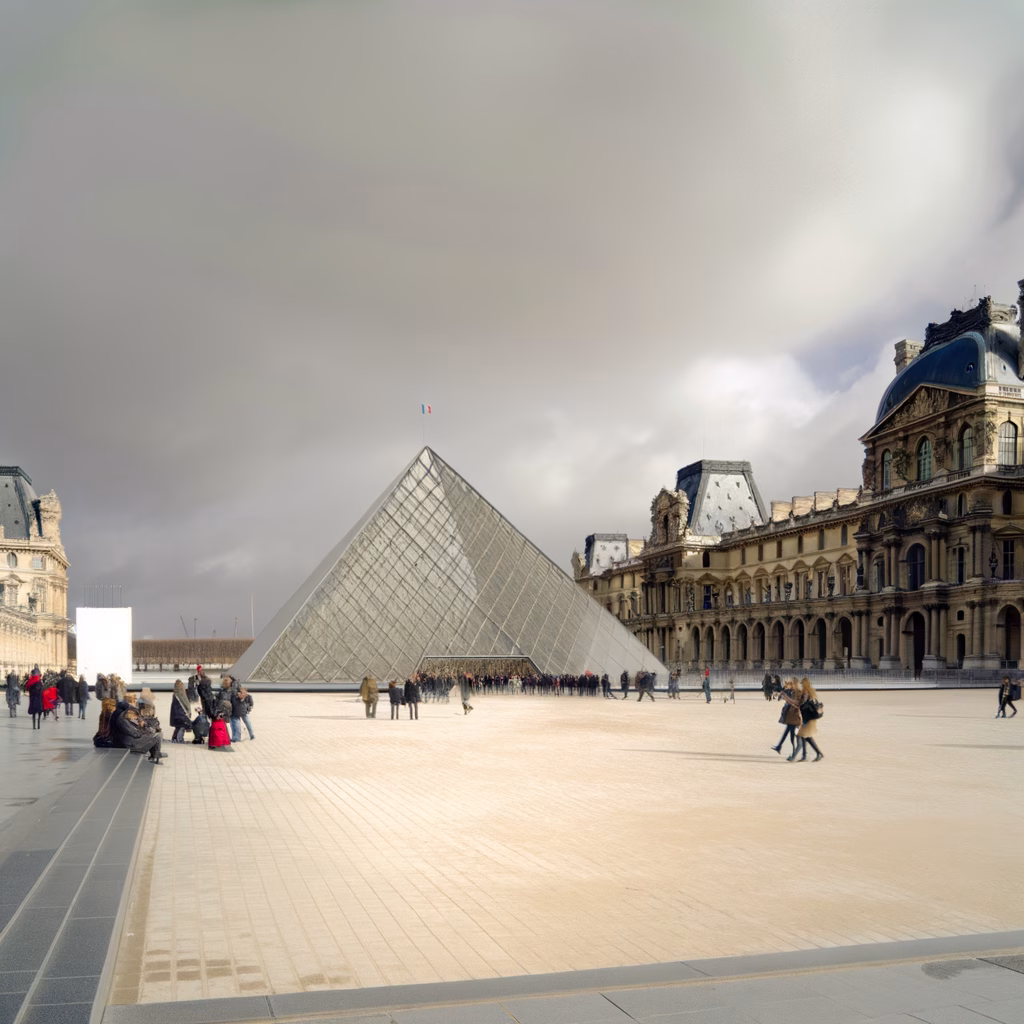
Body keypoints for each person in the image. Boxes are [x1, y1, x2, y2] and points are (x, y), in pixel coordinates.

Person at [114, 699, 165, 764]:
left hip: (131, 741)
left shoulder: (125, 717)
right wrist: (141, 729)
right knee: (157, 736)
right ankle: (155, 756)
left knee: (156, 735)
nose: (136, 717)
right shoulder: (123, 720)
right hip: (130, 744)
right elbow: (135, 733)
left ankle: (155, 755)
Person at [792, 677, 824, 762]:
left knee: (805, 737)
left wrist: (792, 701)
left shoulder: (806, 693)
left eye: (802, 684)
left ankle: (818, 753)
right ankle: (805, 756)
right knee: (804, 736)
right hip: (810, 717)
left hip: (808, 718)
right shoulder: (811, 692)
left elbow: (801, 704)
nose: (801, 686)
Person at [772, 680, 802, 756]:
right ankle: (784, 748)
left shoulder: (795, 693)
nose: (786, 687)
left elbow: (794, 703)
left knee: (791, 735)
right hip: (791, 716)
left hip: (794, 717)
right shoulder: (790, 692)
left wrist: (785, 697)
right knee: (789, 734)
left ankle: (794, 750)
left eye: (787, 685)